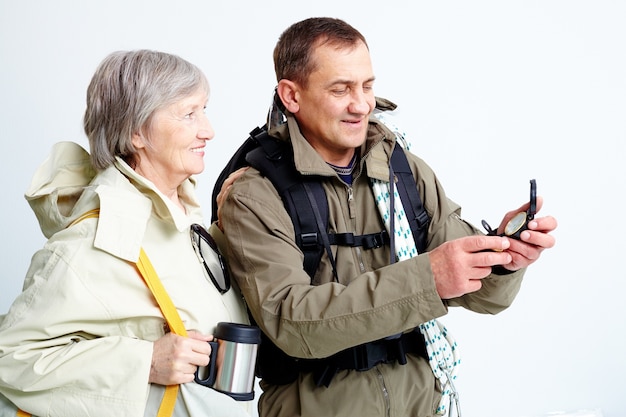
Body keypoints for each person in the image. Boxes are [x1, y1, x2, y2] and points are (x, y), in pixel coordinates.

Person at [216, 17, 557, 417]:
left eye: (367, 85)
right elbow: (293, 325)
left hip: (424, 405)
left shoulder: (402, 171)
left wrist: (503, 259)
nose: (361, 104)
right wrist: (427, 278)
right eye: (340, 89)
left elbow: (481, 295)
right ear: (291, 95)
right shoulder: (253, 193)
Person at [0, 50, 252, 417]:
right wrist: (144, 361)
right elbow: (11, 357)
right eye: (189, 113)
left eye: (204, 109)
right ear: (136, 132)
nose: (208, 129)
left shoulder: (188, 221)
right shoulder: (92, 241)